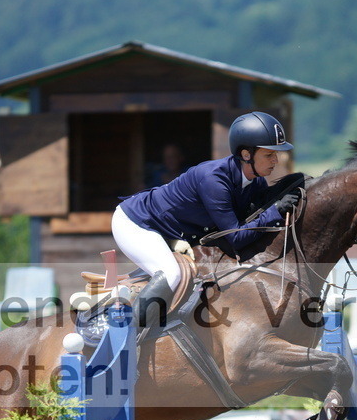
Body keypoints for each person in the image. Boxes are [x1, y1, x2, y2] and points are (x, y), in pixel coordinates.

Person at [113, 111, 301, 329]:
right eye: (269, 155)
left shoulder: (256, 181)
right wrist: (275, 211)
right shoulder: (214, 180)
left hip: (170, 230)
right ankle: (127, 335)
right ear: (246, 154)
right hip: (137, 223)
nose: (275, 161)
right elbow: (236, 237)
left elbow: (254, 221)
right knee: (171, 274)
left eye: (275, 155)